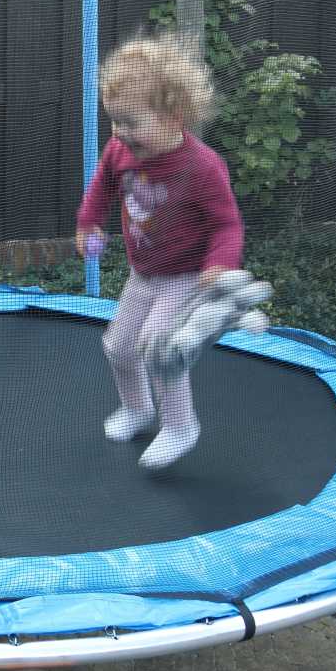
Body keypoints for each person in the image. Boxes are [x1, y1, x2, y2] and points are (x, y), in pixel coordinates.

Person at [75, 33, 243, 471]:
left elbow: (227, 225)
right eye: (114, 121)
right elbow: (102, 187)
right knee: (118, 347)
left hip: (187, 276)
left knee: (157, 348)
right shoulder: (120, 150)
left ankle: (180, 426)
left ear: (174, 115)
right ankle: (137, 409)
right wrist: (89, 223)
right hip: (143, 274)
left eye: (130, 122)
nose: (119, 132)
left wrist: (220, 265)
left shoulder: (202, 168)